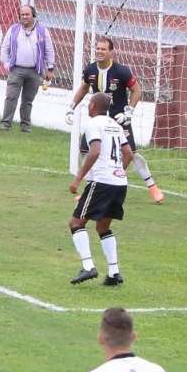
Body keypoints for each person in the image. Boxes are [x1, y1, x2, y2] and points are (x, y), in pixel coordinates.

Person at [67, 37, 164, 204]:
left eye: (103, 49)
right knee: (85, 150)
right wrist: (71, 107)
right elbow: (84, 88)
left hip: (119, 119)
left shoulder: (121, 71)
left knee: (131, 154)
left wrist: (129, 112)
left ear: (111, 52)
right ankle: (92, 189)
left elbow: (137, 90)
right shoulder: (90, 70)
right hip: (99, 119)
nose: (99, 51)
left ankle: (152, 187)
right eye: (97, 48)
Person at [68, 93, 132, 285]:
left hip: (101, 182)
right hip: (119, 184)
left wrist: (78, 179)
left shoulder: (92, 124)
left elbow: (94, 151)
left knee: (76, 223)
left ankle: (88, 267)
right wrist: (118, 172)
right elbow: (128, 153)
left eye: (89, 104)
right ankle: (114, 273)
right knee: (103, 226)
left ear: (93, 106)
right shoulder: (115, 125)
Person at [0, 5, 56, 132]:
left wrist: (50, 68)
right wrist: (7, 64)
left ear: (33, 15)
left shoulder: (42, 30)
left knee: (28, 100)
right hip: (16, 70)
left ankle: (25, 126)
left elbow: (49, 49)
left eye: (27, 14)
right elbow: (4, 48)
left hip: (35, 71)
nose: (24, 17)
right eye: (22, 14)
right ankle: (5, 124)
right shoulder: (13, 29)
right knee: (11, 97)